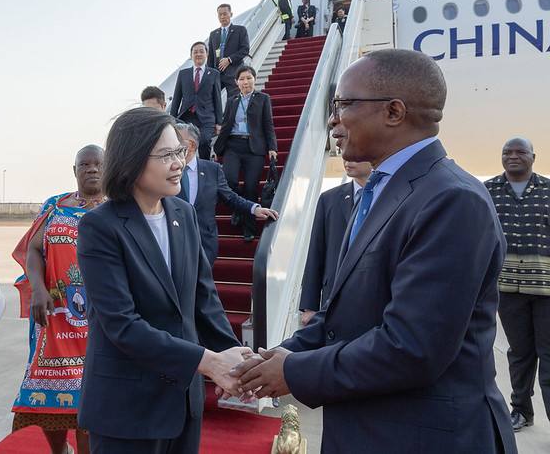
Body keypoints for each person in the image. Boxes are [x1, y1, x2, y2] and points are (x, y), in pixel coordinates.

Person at [230, 49, 518, 454]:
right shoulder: (382, 192)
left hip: (422, 437)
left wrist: (293, 372)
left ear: (394, 112)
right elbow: (345, 314)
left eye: (343, 104)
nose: (333, 119)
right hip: (370, 428)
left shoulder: (452, 200)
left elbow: (412, 347)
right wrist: (285, 352)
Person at [76, 107, 250, 453]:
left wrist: (234, 356)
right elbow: (122, 325)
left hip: (183, 401)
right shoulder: (100, 227)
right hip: (127, 408)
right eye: (167, 154)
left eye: (181, 152)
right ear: (133, 159)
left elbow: (204, 298)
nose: (180, 164)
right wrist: (209, 362)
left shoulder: (182, 214)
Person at [10, 145, 106, 454]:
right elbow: (35, 250)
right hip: (53, 316)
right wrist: (37, 287)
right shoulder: (55, 205)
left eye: (98, 164)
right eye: (84, 164)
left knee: (91, 398)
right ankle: (59, 451)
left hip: (98, 318)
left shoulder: (118, 206)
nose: (91, 169)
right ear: (74, 170)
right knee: (46, 393)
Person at [485, 137, 550, 431]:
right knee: (520, 353)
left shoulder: (549, 191)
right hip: (507, 289)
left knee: (548, 355)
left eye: (520, 151)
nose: (512, 156)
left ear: (533, 157)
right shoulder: (487, 191)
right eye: (506, 152)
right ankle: (521, 410)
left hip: (547, 291)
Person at [174, 123, 278, 266]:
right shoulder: (169, 170)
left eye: (177, 139)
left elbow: (230, 197)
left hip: (204, 240)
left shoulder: (212, 170)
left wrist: (254, 208)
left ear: (191, 145)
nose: (172, 143)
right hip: (175, 239)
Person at [299, 159, 371, 326]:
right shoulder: (328, 199)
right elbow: (316, 252)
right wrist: (309, 306)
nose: (348, 160)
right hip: (331, 297)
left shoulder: (388, 197)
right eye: (345, 154)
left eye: (357, 154)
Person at [213, 65, 277, 241]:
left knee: (250, 187)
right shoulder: (232, 100)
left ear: (254, 79)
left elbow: (268, 125)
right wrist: (217, 147)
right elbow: (226, 125)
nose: (245, 82)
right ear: (236, 82)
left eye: (248, 78)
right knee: (230, 181)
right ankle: (239, 208)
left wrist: (272, 147)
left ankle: (249, 228)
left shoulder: (263, 99)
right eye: (241, 79)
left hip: (254, 148)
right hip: (233, 145)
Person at [169, 42, 223, 160]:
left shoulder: (214, 74)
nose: (198, 54)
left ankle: (204, 167)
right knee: (184, 145)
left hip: (207, 118)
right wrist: (171, 119)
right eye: (195, 52)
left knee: (203, 142)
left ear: (207, 54)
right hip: (187, 116)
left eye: (201, 51)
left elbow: (217, 99)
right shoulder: (183, 74)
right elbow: (176, 98)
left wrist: (219, 122)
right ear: (191, 55)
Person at [207, 4, 249, 100]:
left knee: (234, 101)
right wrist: (209, 74)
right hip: (217, 74)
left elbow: (245, 49)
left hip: (234, 72)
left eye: (225, 14)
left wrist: (229, 60)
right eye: (220, 15)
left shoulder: (240, 30)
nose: (222, 17)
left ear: (231, 14)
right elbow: (211, 57)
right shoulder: (213, 34)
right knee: (211, 99)